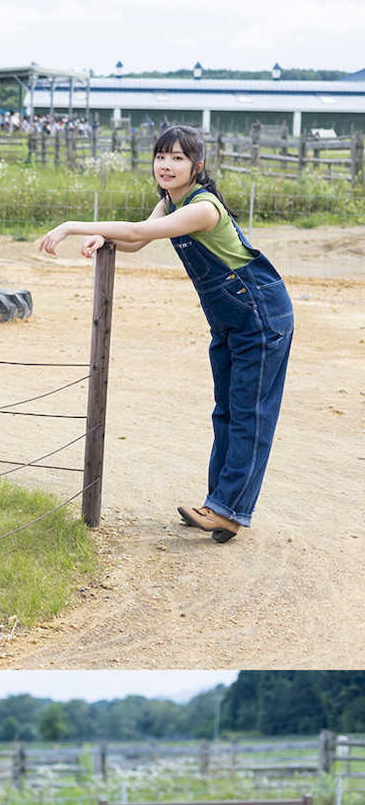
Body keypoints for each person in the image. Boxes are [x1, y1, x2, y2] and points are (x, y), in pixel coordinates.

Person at [37, 124, 294, 542]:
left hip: (260, 314)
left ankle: (227, 509)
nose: (166, 165)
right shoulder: (170, 202)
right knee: (226, 412)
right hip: (231, 318)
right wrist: (103, 236)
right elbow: (136, 239)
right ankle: (220, 506)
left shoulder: (203, 208)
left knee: (249, 413)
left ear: (198, 165)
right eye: (161, 156)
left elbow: (137, 233)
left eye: (178, 158)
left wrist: (72, 225)